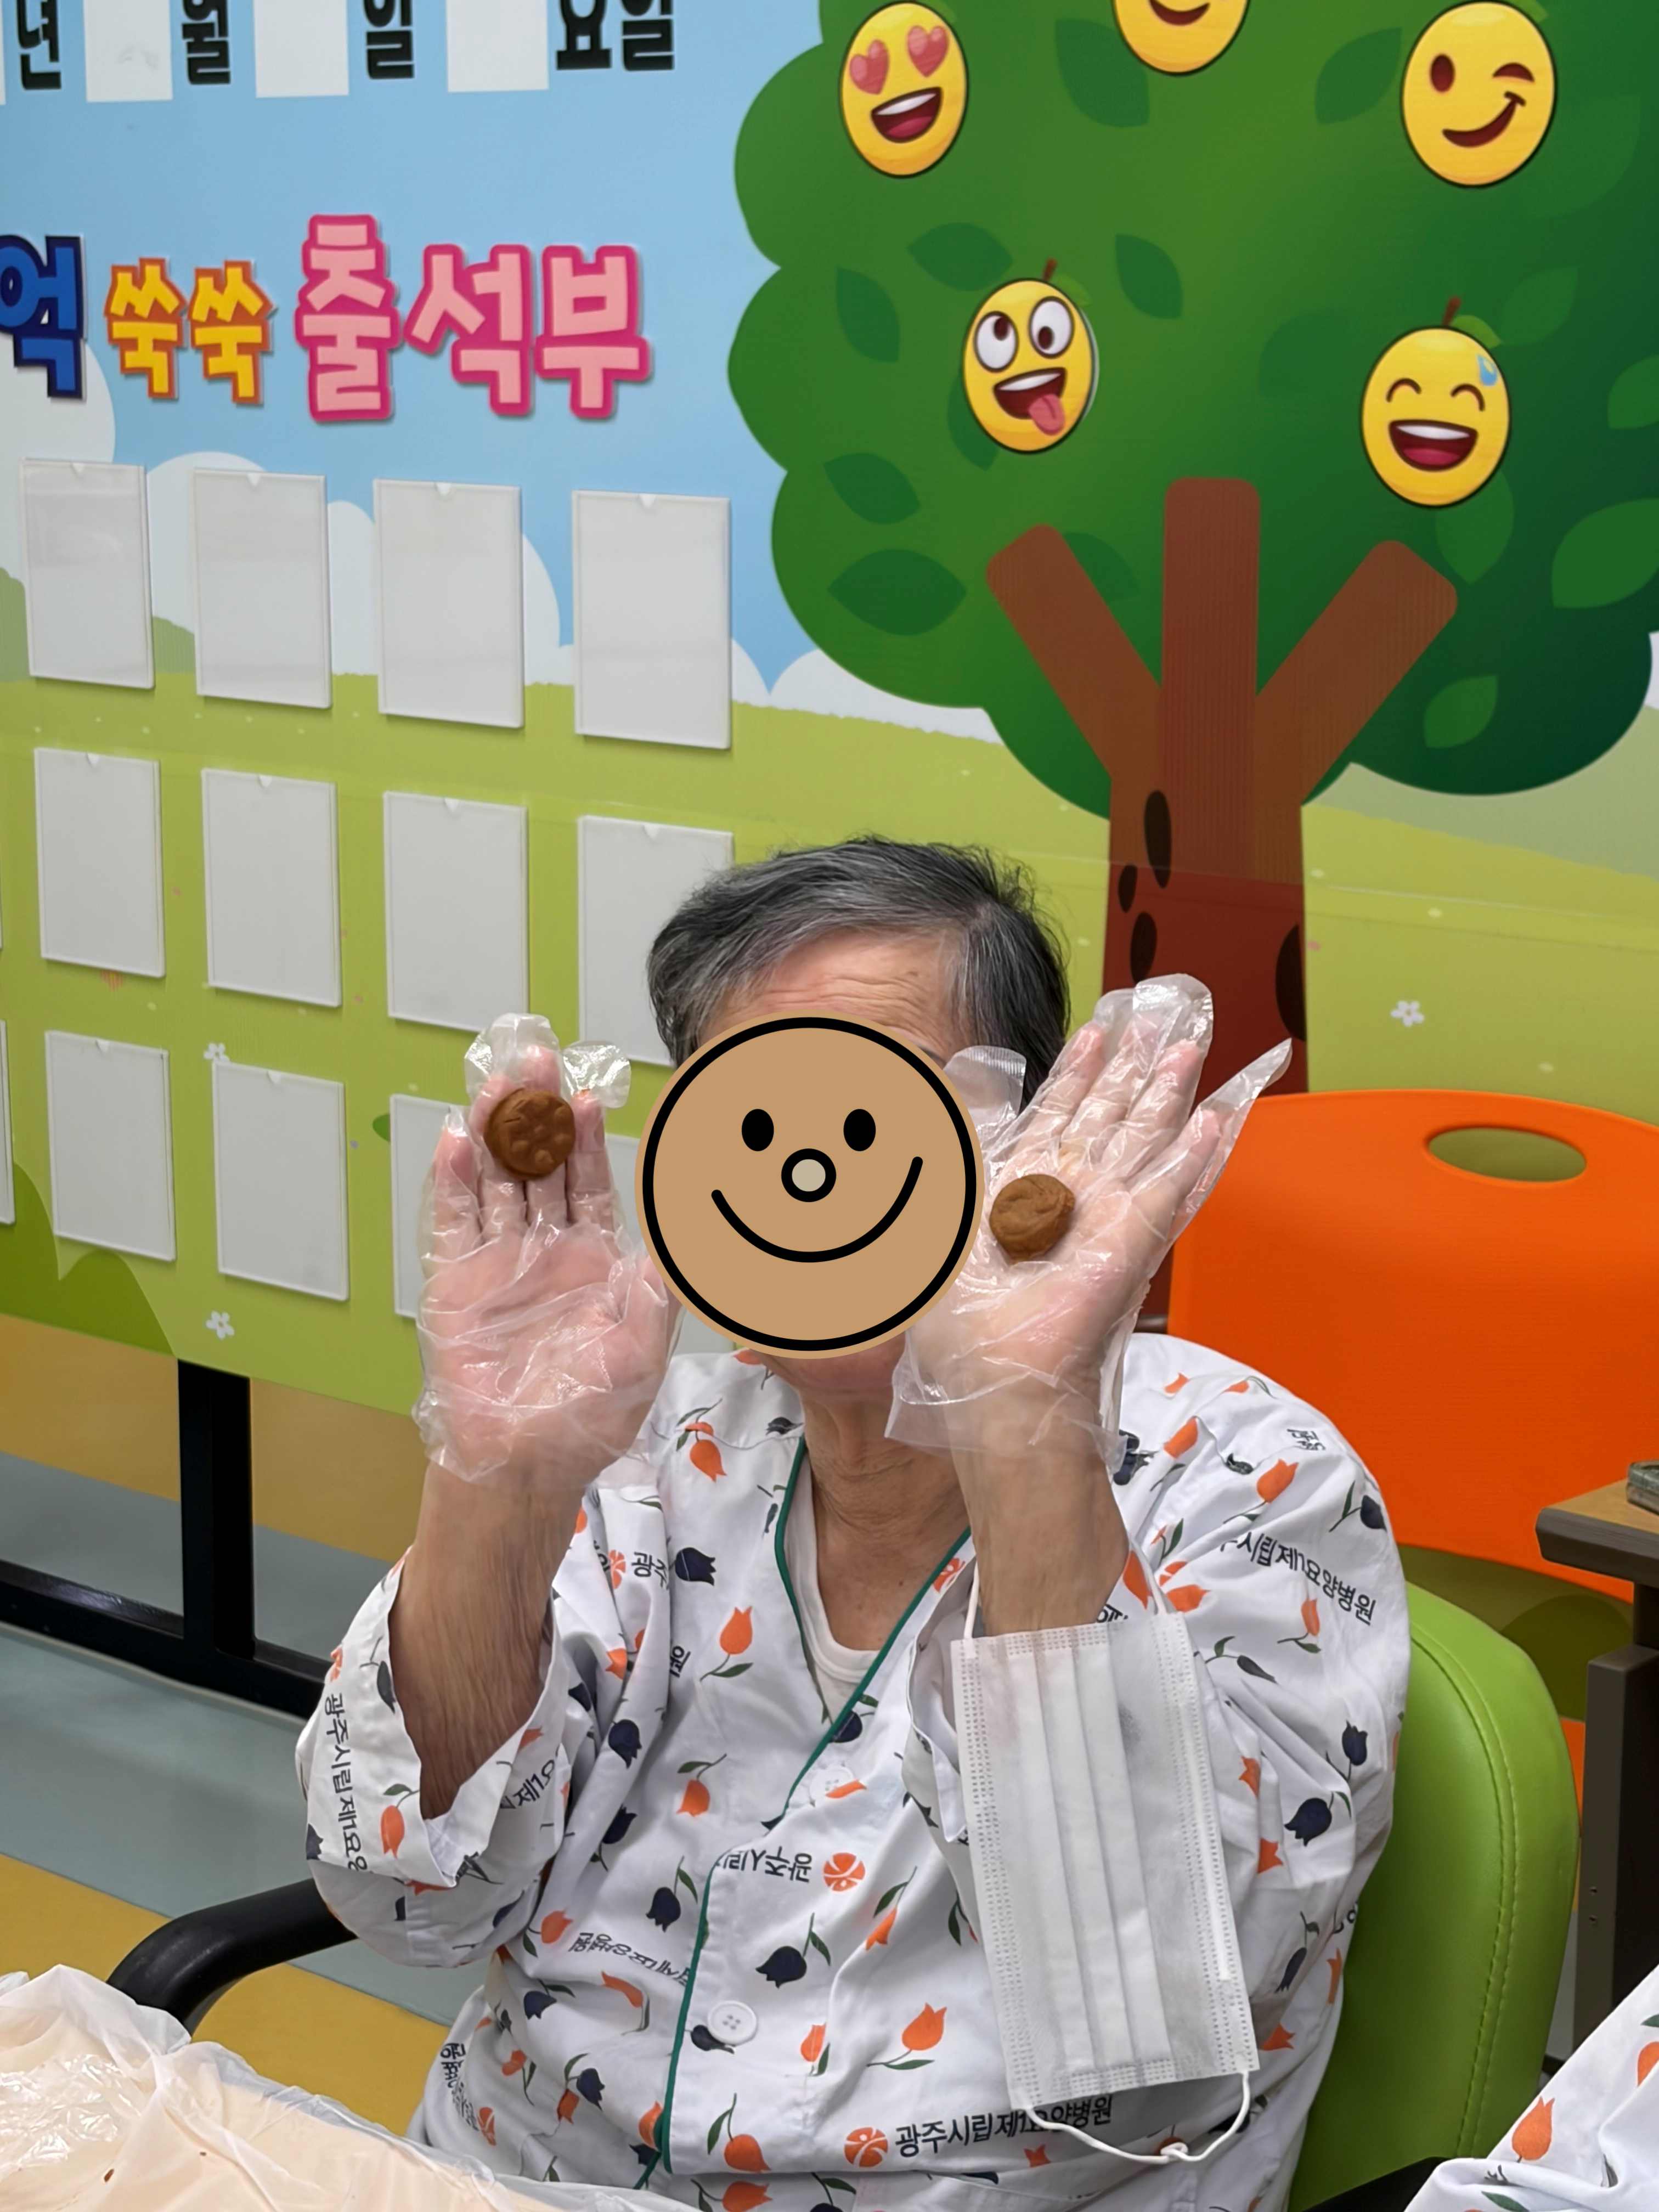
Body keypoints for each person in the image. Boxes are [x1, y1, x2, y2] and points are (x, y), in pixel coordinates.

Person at [298, 838, 1409, 2212]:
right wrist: (500, 1485)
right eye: (759, 1117)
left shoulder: (1252, 1480)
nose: (812, 1171)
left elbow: (1145, 2039)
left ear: (1023, 1142)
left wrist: (1023, 1421)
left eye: (871, 1110)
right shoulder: (638, 1450)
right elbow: (407, 1897)